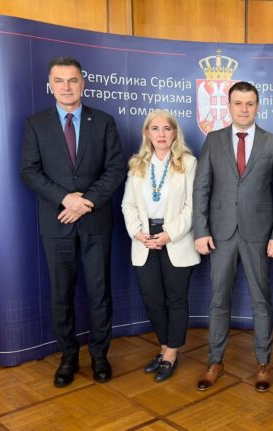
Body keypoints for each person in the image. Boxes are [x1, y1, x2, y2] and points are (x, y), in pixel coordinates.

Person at [20, 56, 126, 387]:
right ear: (50, 85)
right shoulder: (36, 124)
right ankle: (68, 358)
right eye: (59, 81)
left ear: (83, 83)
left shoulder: (104, 122)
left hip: (95, 221)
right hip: (57, 221)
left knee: (99, 291)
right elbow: (29, 171)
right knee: (61, 293)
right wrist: (66, 199)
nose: (66, 87)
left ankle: (100, 356)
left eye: (73, 80)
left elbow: (115, 169)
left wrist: (85, 202)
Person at [192, 81, 273, 392]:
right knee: (218, 300)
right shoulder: (213, 140)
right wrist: (200, 230)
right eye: (238, 103)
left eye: (250, 103)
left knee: (261, 301)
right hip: (220, 234)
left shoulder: (272, 142)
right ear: (229, 106)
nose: (244, 109)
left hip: (259, 235)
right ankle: (215, 361)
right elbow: (201, 187)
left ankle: (263, 364)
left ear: (257, 106)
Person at [121, 109, 200, 382]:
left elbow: (193, 207)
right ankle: (165, 346)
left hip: (175, 238)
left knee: (175, 299)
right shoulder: (137, 164)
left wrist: (169, 234)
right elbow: (127, 204)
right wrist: (138, 233)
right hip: (144, 239)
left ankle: (170, 354)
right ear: (147, 133)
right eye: (155, 129)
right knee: (152, 299)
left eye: (167, 128)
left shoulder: (188, 162)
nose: (161, 134)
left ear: (175, 132)